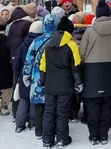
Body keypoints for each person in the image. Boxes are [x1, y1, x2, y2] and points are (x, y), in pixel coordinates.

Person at [80, 0, 111, 145]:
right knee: (105, 102)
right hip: (108, 68)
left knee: (92, 103)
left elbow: (82, 52)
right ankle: (103, 135)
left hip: (91, 70)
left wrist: (84, 64)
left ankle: (93, 136)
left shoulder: (89, 31)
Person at [40, 16, 82, 148]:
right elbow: (76, 66)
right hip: (65, 84)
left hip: (50, 85)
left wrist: (43, 82)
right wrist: (79, 83)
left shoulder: (48, 44)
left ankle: (47, 140)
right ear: (69, 31)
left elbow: (43, 66)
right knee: (62, 112)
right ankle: (62, 139)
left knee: (48, 112)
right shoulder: (72, 45)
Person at [23, 13, 59, 140]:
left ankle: (39, 131)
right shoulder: (59, 40)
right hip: (54, 79)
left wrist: (26, 75)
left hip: (37, 79)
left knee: (39, 106)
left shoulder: (36, 41)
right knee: (52, 106)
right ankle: (51, 129)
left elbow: (29, 60)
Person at [13, 19, 43, 132]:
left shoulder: (23, 43)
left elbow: (17, 61)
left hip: (23, 74)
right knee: (34, 99)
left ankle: (19, 123)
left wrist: (18, 75)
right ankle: (32, 122)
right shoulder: (42, 43)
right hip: (37, 75)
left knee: (24, 99)